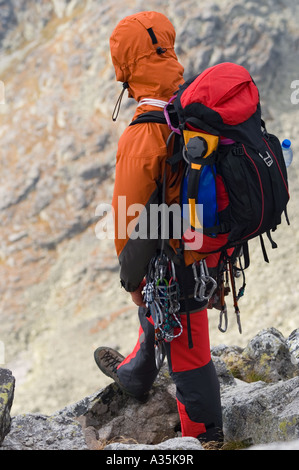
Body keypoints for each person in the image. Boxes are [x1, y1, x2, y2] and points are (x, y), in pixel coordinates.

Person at [94, 11, 223, 445]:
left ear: (126, 71)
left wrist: (131, 280)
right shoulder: (195, 106)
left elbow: (131, 221)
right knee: (165, 304)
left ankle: (207, 439)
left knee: (189, 354)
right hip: (208, 247)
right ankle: (136, 372)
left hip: (181, 260)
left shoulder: (143, 132)